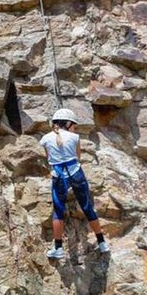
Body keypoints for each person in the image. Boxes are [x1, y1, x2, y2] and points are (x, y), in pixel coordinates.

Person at [39, 108, 110, 259]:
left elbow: (48, 158)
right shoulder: (74, 137)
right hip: (75, 171)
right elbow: (77, 156)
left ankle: (58, 248)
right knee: (87, 207)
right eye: (74, 125)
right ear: (69, 123)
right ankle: (102, 242)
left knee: (58, 211)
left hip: (58, 174)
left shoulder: (45, 138)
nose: (75, 128)